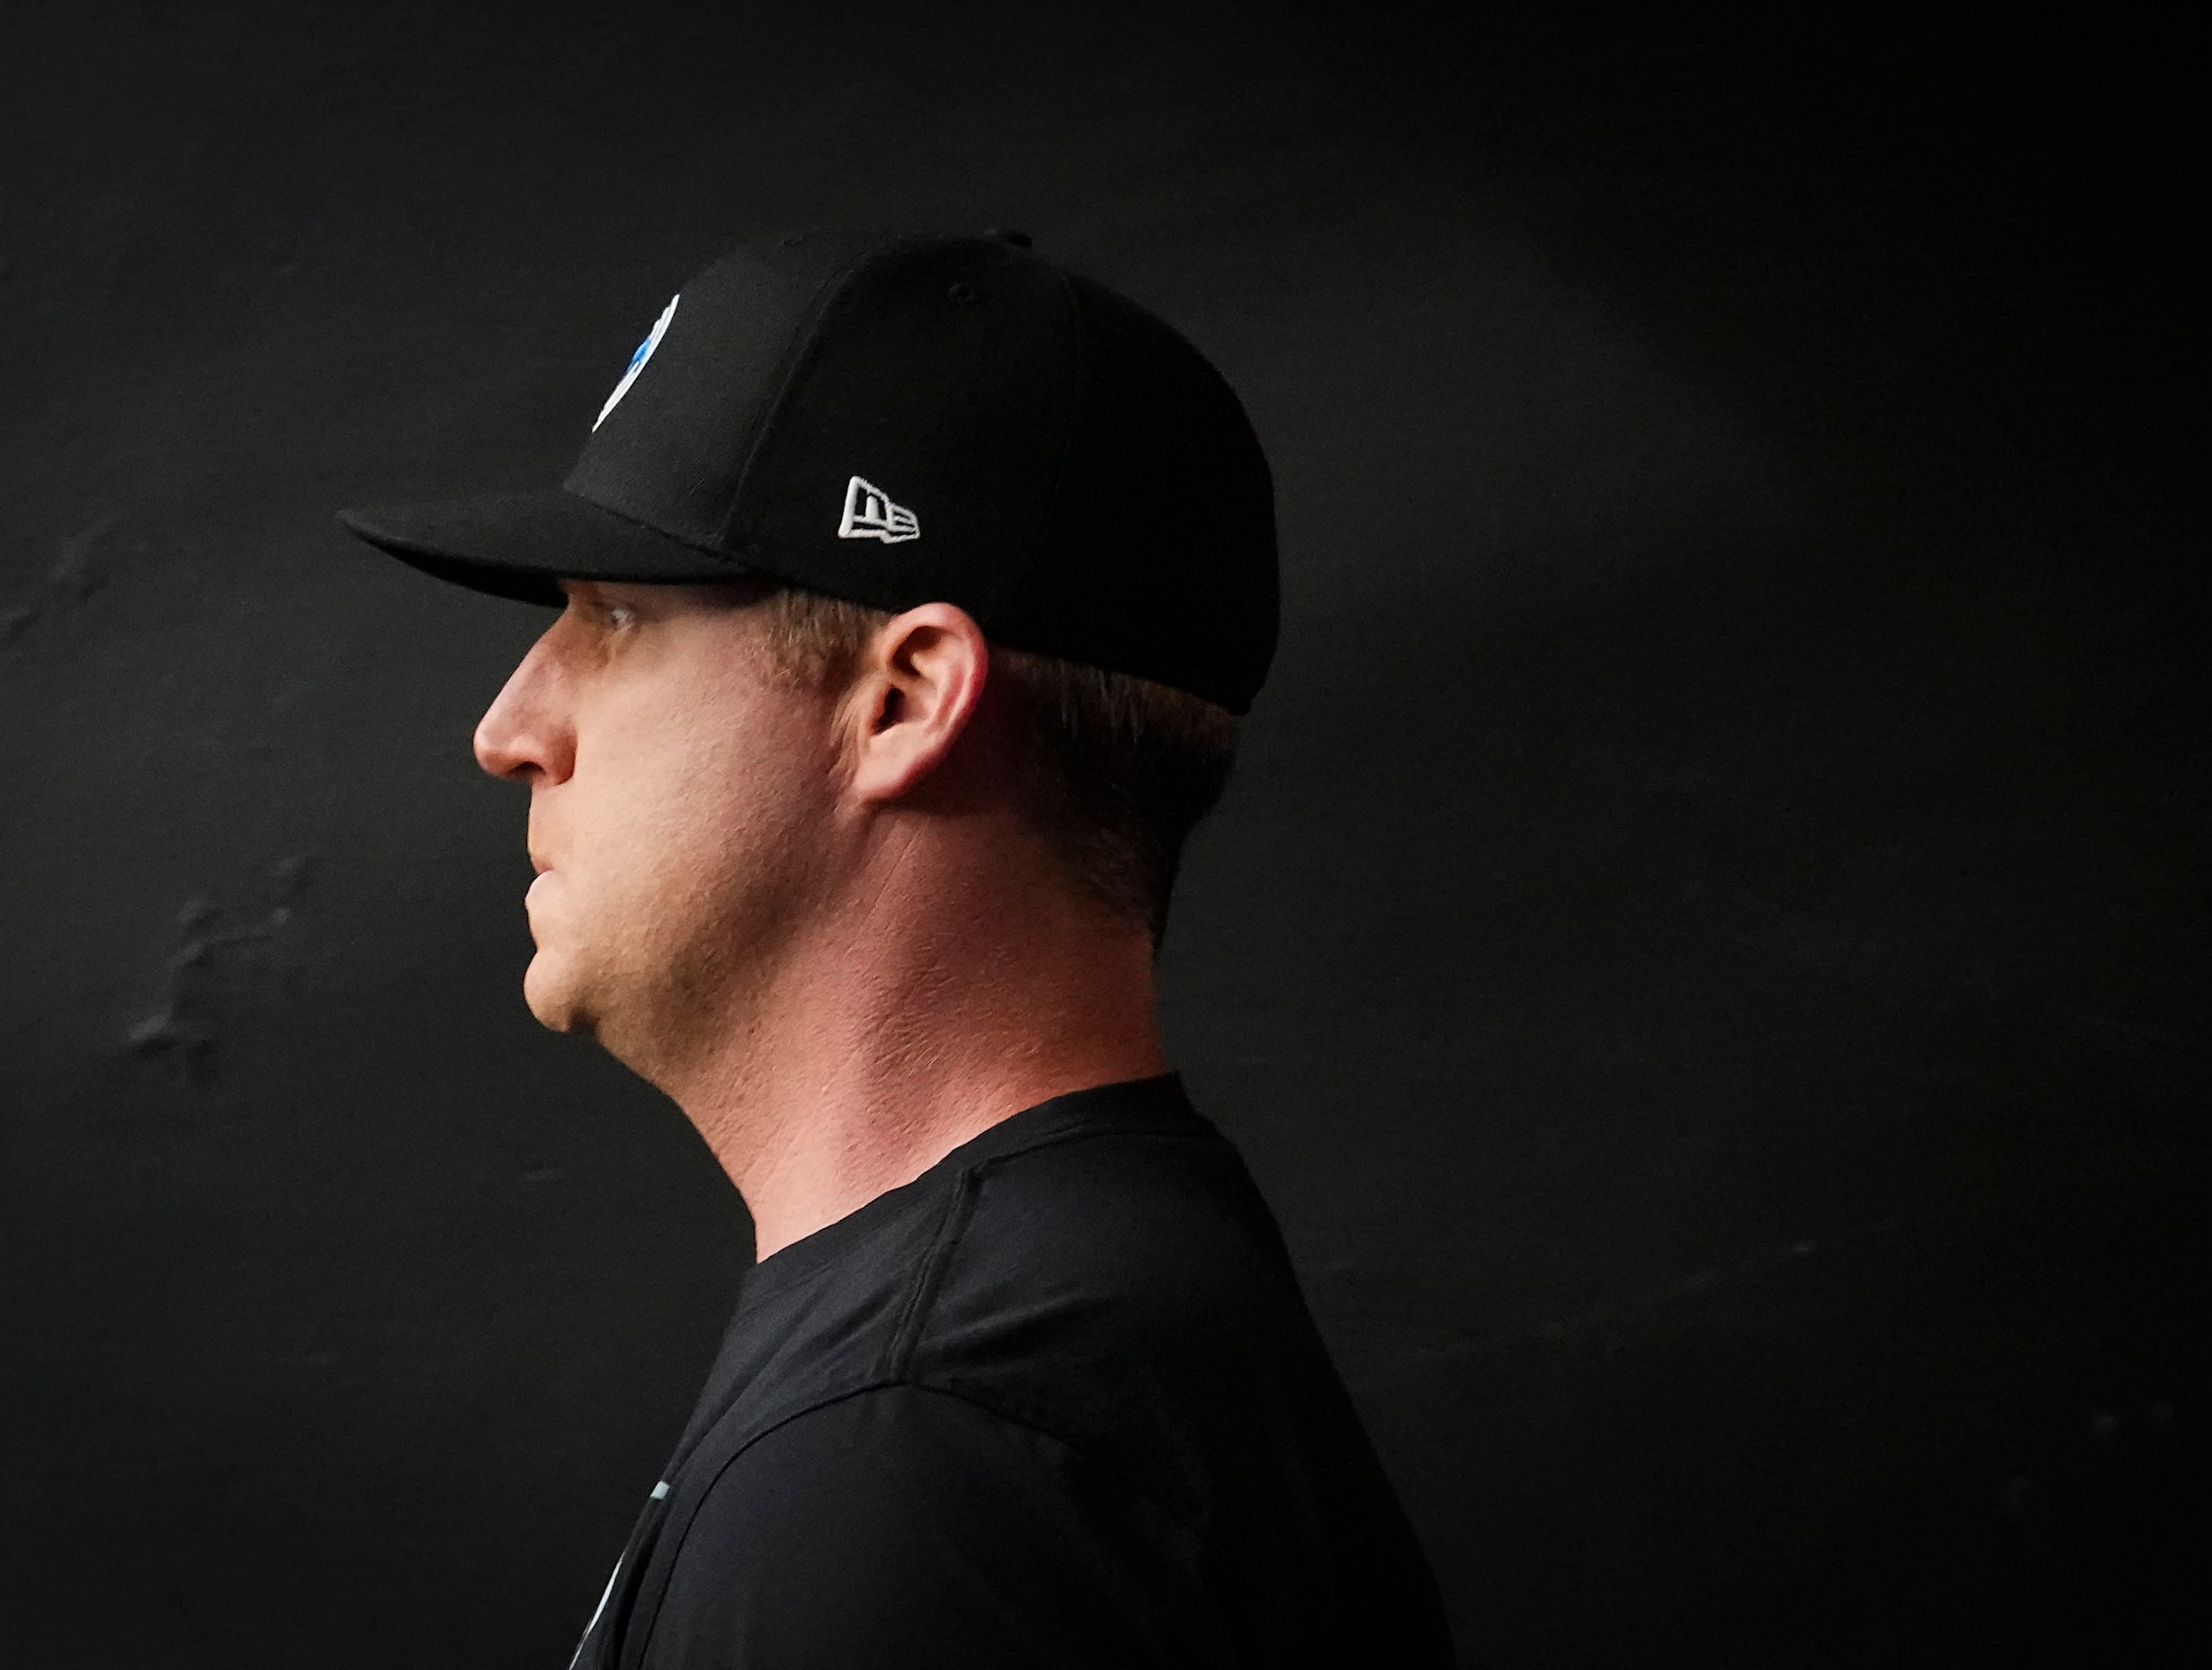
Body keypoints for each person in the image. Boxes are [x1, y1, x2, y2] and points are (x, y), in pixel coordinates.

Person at [340, 227, 1452, 1668]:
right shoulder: (1055, 1329)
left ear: (906, 698)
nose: (509, 731)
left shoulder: (919, 1449)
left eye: (613, 617)